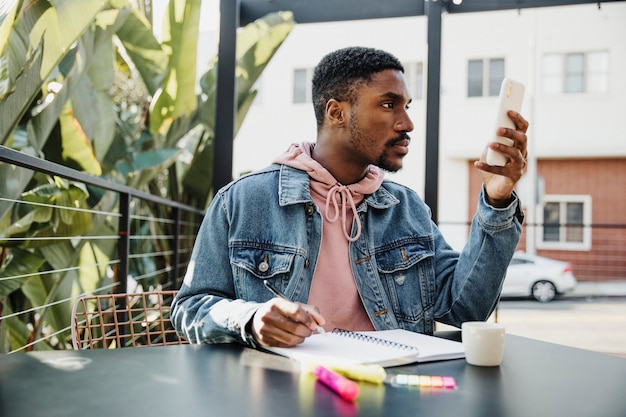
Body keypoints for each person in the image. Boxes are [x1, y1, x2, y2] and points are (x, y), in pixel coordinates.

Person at [171, 46, 528, 348]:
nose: (407, 123)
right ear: (336, 113)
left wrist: (497, 200)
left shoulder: (406, 208)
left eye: (407, 106)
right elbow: (189, 308)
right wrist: (249, 318)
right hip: (279, 393)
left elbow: (465, 309)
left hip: (394, 393)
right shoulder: (243, 201)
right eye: (389, 105)